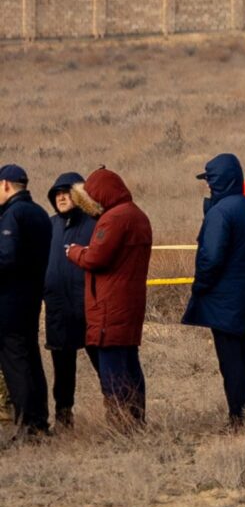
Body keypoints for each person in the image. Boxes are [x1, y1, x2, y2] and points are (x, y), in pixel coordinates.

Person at [181, 153, 245, 429]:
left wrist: (201, 285)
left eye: (210, 180)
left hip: (222, 297)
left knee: (229, 358)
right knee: (242, 353)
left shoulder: (220, 213)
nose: (208, 185)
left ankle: (237, 416)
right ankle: (239, 409)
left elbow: (211, 257)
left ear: (220, 180)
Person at [64, 168, 151, 424]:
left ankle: (120, 421)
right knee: (129, 361)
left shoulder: (114, 219)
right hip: (129, 301)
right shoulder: (137, 215)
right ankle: (136, 418)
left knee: (112, 366)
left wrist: (75, 251)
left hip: (110, 304)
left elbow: (96, 258)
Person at [0, 166, 54, 435]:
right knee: (30, 358)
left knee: (15, 363)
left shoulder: (13, 214)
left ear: (6, 185)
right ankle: (39, 421)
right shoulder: (41, 213)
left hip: (9, 301)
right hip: (32, 297)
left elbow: (6, 258)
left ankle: (27, 426)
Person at [43, 175, 93, 430]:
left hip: (90, 308)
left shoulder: (94, 225)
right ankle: (64, 418)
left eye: (67, 192)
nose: (61, 197)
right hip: (58, 309)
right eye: (57, 194)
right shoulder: (48, 226)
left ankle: (121, 414)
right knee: (63, 372)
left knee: (104, 364)